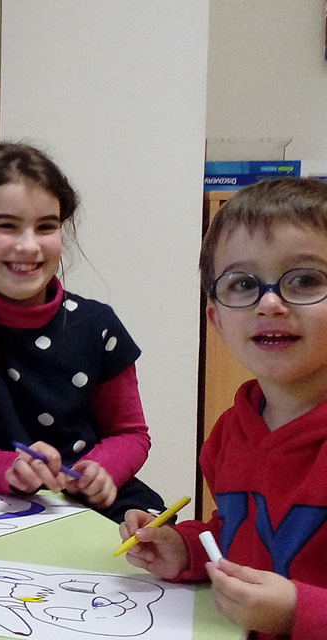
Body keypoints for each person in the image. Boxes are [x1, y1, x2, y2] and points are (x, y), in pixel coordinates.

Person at [0, 141, 165, 523]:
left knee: (161, 546)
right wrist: (8, 469)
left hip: (96, 504)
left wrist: (103, 469)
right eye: (7, 226)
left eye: (46, 227)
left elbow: (131, 434)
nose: (28, 246)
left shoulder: (98, 325)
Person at [120, 178, 327, 640]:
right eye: (243, 284)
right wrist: (185, 549)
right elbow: (234, 535)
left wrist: (298, 612)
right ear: (216, 319)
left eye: (305, 280)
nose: (269, 303)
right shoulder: (231, 431)